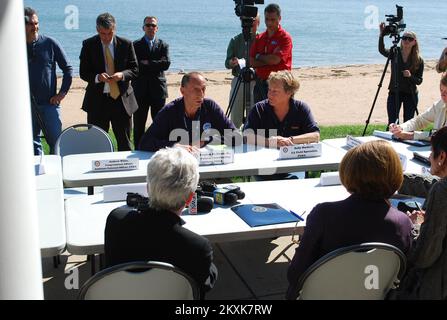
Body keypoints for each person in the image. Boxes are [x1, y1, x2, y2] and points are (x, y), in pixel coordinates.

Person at [286, 140, 413, 300]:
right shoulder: (403, 223)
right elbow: (401, 277)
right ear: (395, 176)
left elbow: (295, 275)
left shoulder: (324, 214)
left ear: (348, 173)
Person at [105, 147, 218, 295]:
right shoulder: (197, 247)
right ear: (190, 198)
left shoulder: (116, 220)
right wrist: (211, 266)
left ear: (147, 188)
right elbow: (204, 284)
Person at [394, 127, 447, 300]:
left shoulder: (442, 191)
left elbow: (424, 256)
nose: (429, 157)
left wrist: (413, 225)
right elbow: (430, 183)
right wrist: (393, 177)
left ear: (442, 157)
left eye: (432, 152)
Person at [79, 13, 138, 151]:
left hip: (121, 101)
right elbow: (83, 73)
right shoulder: (88, 45)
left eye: (109, 33)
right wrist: (98, 77)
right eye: (102, 34)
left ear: (114, 28)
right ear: (97, 30)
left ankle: (125, 171)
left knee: (124, 143)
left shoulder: (126, 44)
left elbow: (135, 69)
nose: (106, 37)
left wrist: (122, 75)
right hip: (98, 101)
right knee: (97, 143)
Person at [139, 72, 241, 152]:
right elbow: (144, 143)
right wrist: (174, 146)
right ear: (182, 91)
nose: (201, 94)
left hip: (207, 164)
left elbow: (236, 136)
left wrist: (207, 140)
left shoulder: (210, 106)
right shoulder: (169, 111)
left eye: (203, 89)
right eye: (196, 89)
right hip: (179, 168)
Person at [25, 7, 73, 155]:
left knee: (56, 143)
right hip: (26, 107)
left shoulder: (50, 43)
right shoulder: (15, 46)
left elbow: (68, 69)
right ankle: (37, 174)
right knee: (31, 144)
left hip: (50, 105)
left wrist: (62, 94)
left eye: (36, 23)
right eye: (30, 24)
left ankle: (56, 174)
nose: (35, 27)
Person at [244, 70, 320, 148]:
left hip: (294, 157)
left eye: (275, 91)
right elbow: (247, 136)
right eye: (269, 90)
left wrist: (289, 140)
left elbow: (315, 135)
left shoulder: (301, 108)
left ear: (289, 92)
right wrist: (270, 142)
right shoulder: (259, 109)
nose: (269, 94)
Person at [133, 16, 171, 148]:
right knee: (139, 124)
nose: (150, 28)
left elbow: (166, 64)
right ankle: (138, 148)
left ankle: (159, 147)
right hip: (140, 90)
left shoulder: (163, 45)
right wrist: (155, 64)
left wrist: (147, 63)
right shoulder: (135, 45)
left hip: (158, 90)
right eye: (148, 25)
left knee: (160, 123)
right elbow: (135, 65)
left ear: (157, 28)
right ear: (143, 27)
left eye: (153, 25)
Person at [379, 26, 424, 126]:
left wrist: (410, 76)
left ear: (414, 42)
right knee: (392, 122)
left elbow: (419, 81)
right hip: (394, 92)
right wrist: (381, 35)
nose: (407, 40)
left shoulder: (419, 60)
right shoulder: (395, 52)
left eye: (410, 39)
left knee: (408, 123)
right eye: (404, 38)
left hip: (410, 94)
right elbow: (382, 50)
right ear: (401, 40)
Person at [250, 3, 292, 103]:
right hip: (261, 83)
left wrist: (259, 56)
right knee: (260, 115)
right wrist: (269, 60)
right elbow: (251, 61)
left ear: (279, 18)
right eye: (267, 19)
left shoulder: (285, 38)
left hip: (280, 85)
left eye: (273, 20)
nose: (269, 23)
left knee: (279, 117)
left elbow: (275, 60)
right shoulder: (260, 38)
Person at [225, 14, 260, 128]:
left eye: (253, 23)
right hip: (239, 80)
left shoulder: (262, 39)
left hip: (256, 80)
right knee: (236, 115)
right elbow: (227, 63)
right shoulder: (236, 40)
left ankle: (252, 137)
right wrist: (233, 62)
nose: (250, 26)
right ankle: (234, 138)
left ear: (258, 23)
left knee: (255, 114)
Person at [389, 74, 447, 141]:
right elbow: (420, 120)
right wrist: (400, 128)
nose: (442, 95)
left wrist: (411, 135)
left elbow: (442, 137)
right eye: (441, 90)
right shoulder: (440, 104)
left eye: (446, 92)